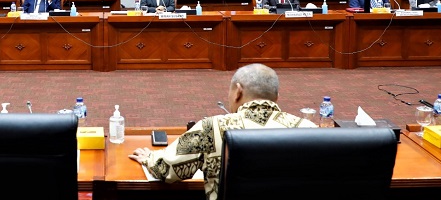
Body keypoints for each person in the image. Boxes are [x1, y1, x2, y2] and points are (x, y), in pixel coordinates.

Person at [128, 63, 316, 200]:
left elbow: (166, 169)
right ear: (276, 97)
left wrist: (149, 157)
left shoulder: (212, 127)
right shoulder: (310, 131)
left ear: (238, 91)